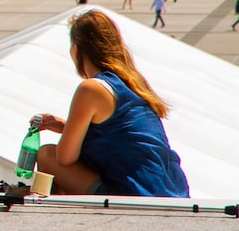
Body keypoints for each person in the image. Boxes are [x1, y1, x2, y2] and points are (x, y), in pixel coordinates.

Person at [32, 10, 189, 197]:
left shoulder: (92, 88)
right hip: (170, 190)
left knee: (47, 154)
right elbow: (121, 139)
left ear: (76, 50)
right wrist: (65, 127)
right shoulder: (133, 83)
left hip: (134, 194)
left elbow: (65, 158)